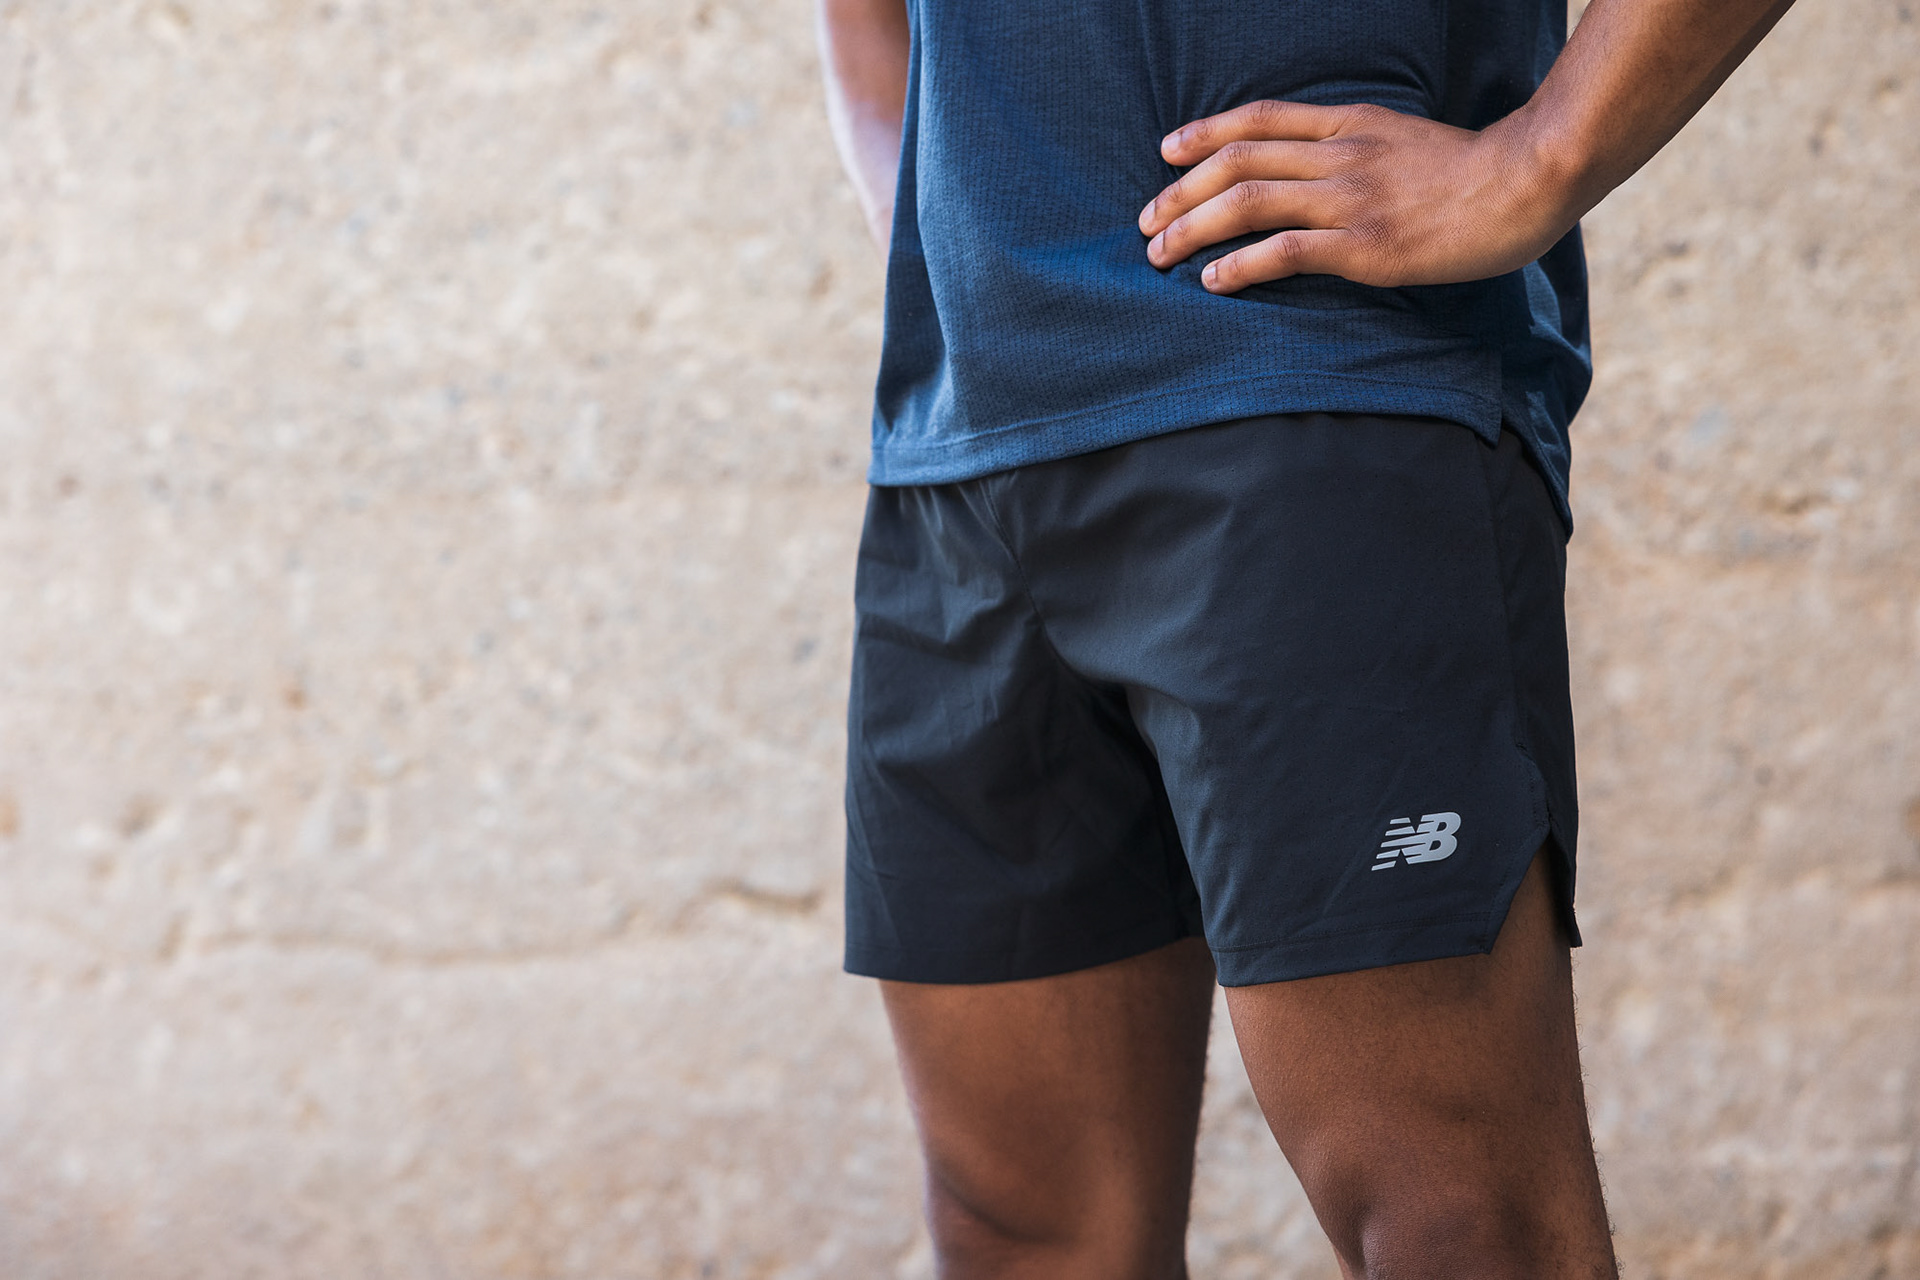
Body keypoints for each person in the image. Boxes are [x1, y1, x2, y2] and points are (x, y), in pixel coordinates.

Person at [816, 0, 1792, 1274]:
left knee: (1457, 1220)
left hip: (1311, 390)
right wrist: (955, 238)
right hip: (961, 464)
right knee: (1024, 1236)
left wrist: (1536, 159)